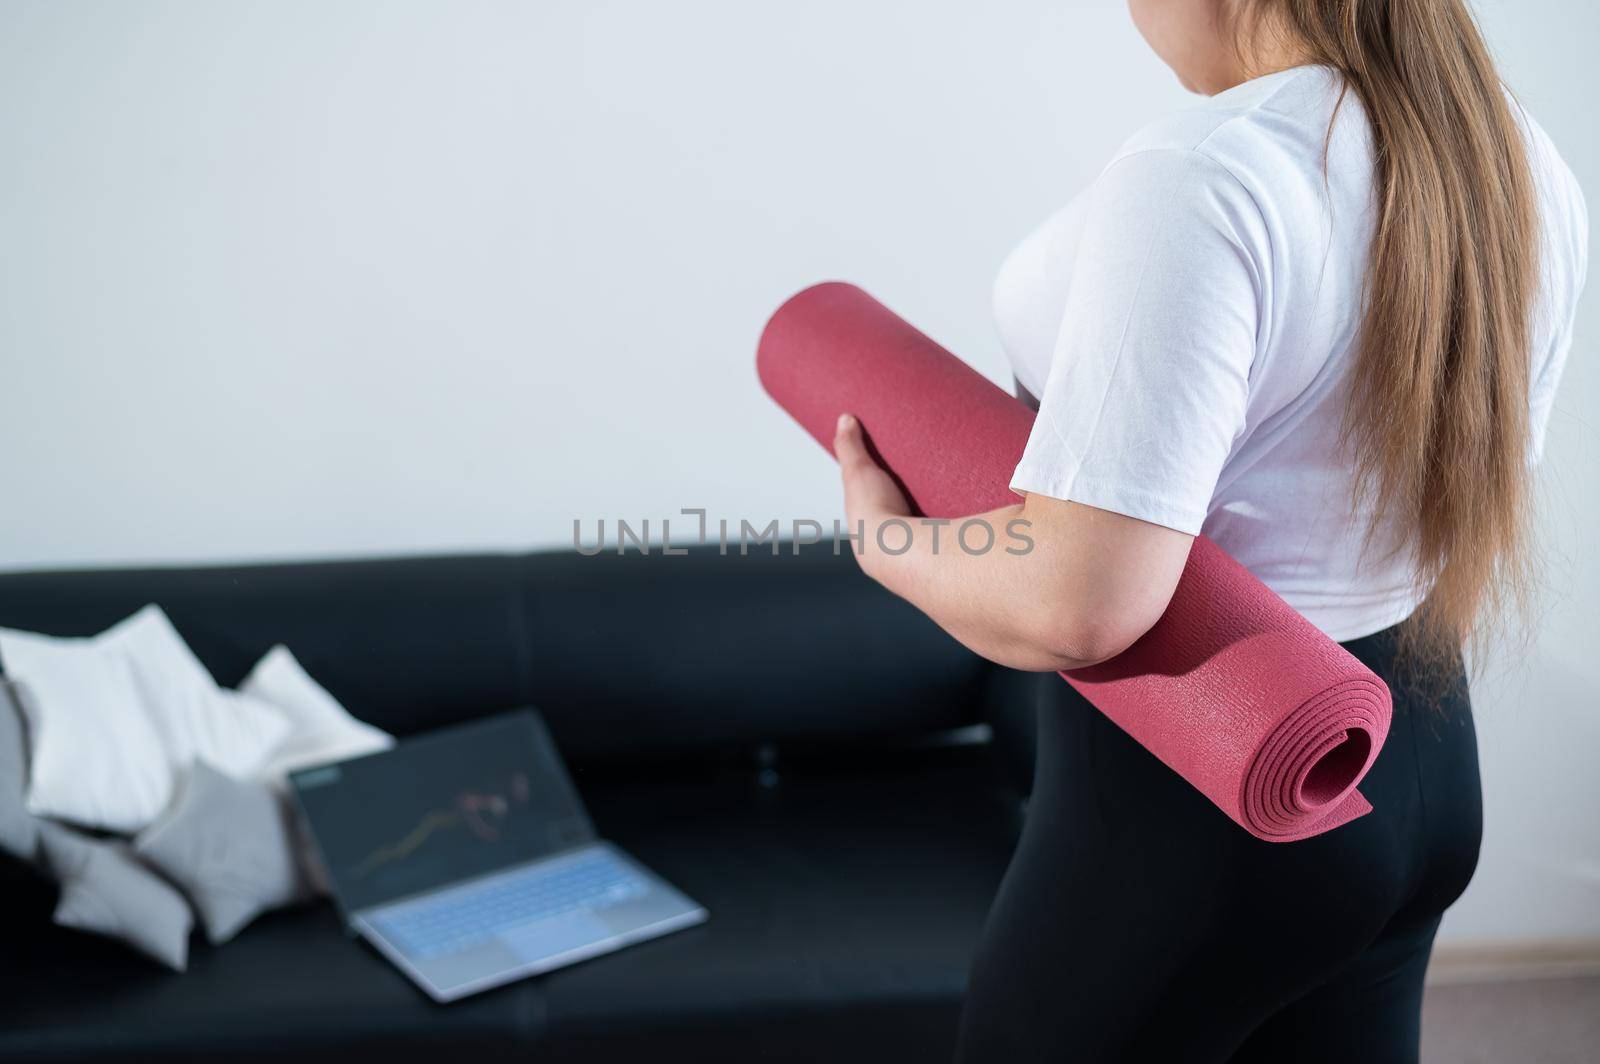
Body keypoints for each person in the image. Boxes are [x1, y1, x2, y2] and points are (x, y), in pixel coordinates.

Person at [829, 1, 1587, 1061]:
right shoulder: (1507, 149)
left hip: (1206, 808)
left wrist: (886, 541)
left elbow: (1078, 605)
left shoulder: (1202, 175)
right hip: (1420, 769)